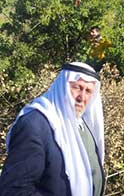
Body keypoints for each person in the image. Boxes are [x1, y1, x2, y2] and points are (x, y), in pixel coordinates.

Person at [0, 62, 105, 196]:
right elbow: (14, 190)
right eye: (77, 88)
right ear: (63, 87)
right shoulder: (35, 125)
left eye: (88, 91)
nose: (82, 97)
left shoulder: (83, 126)